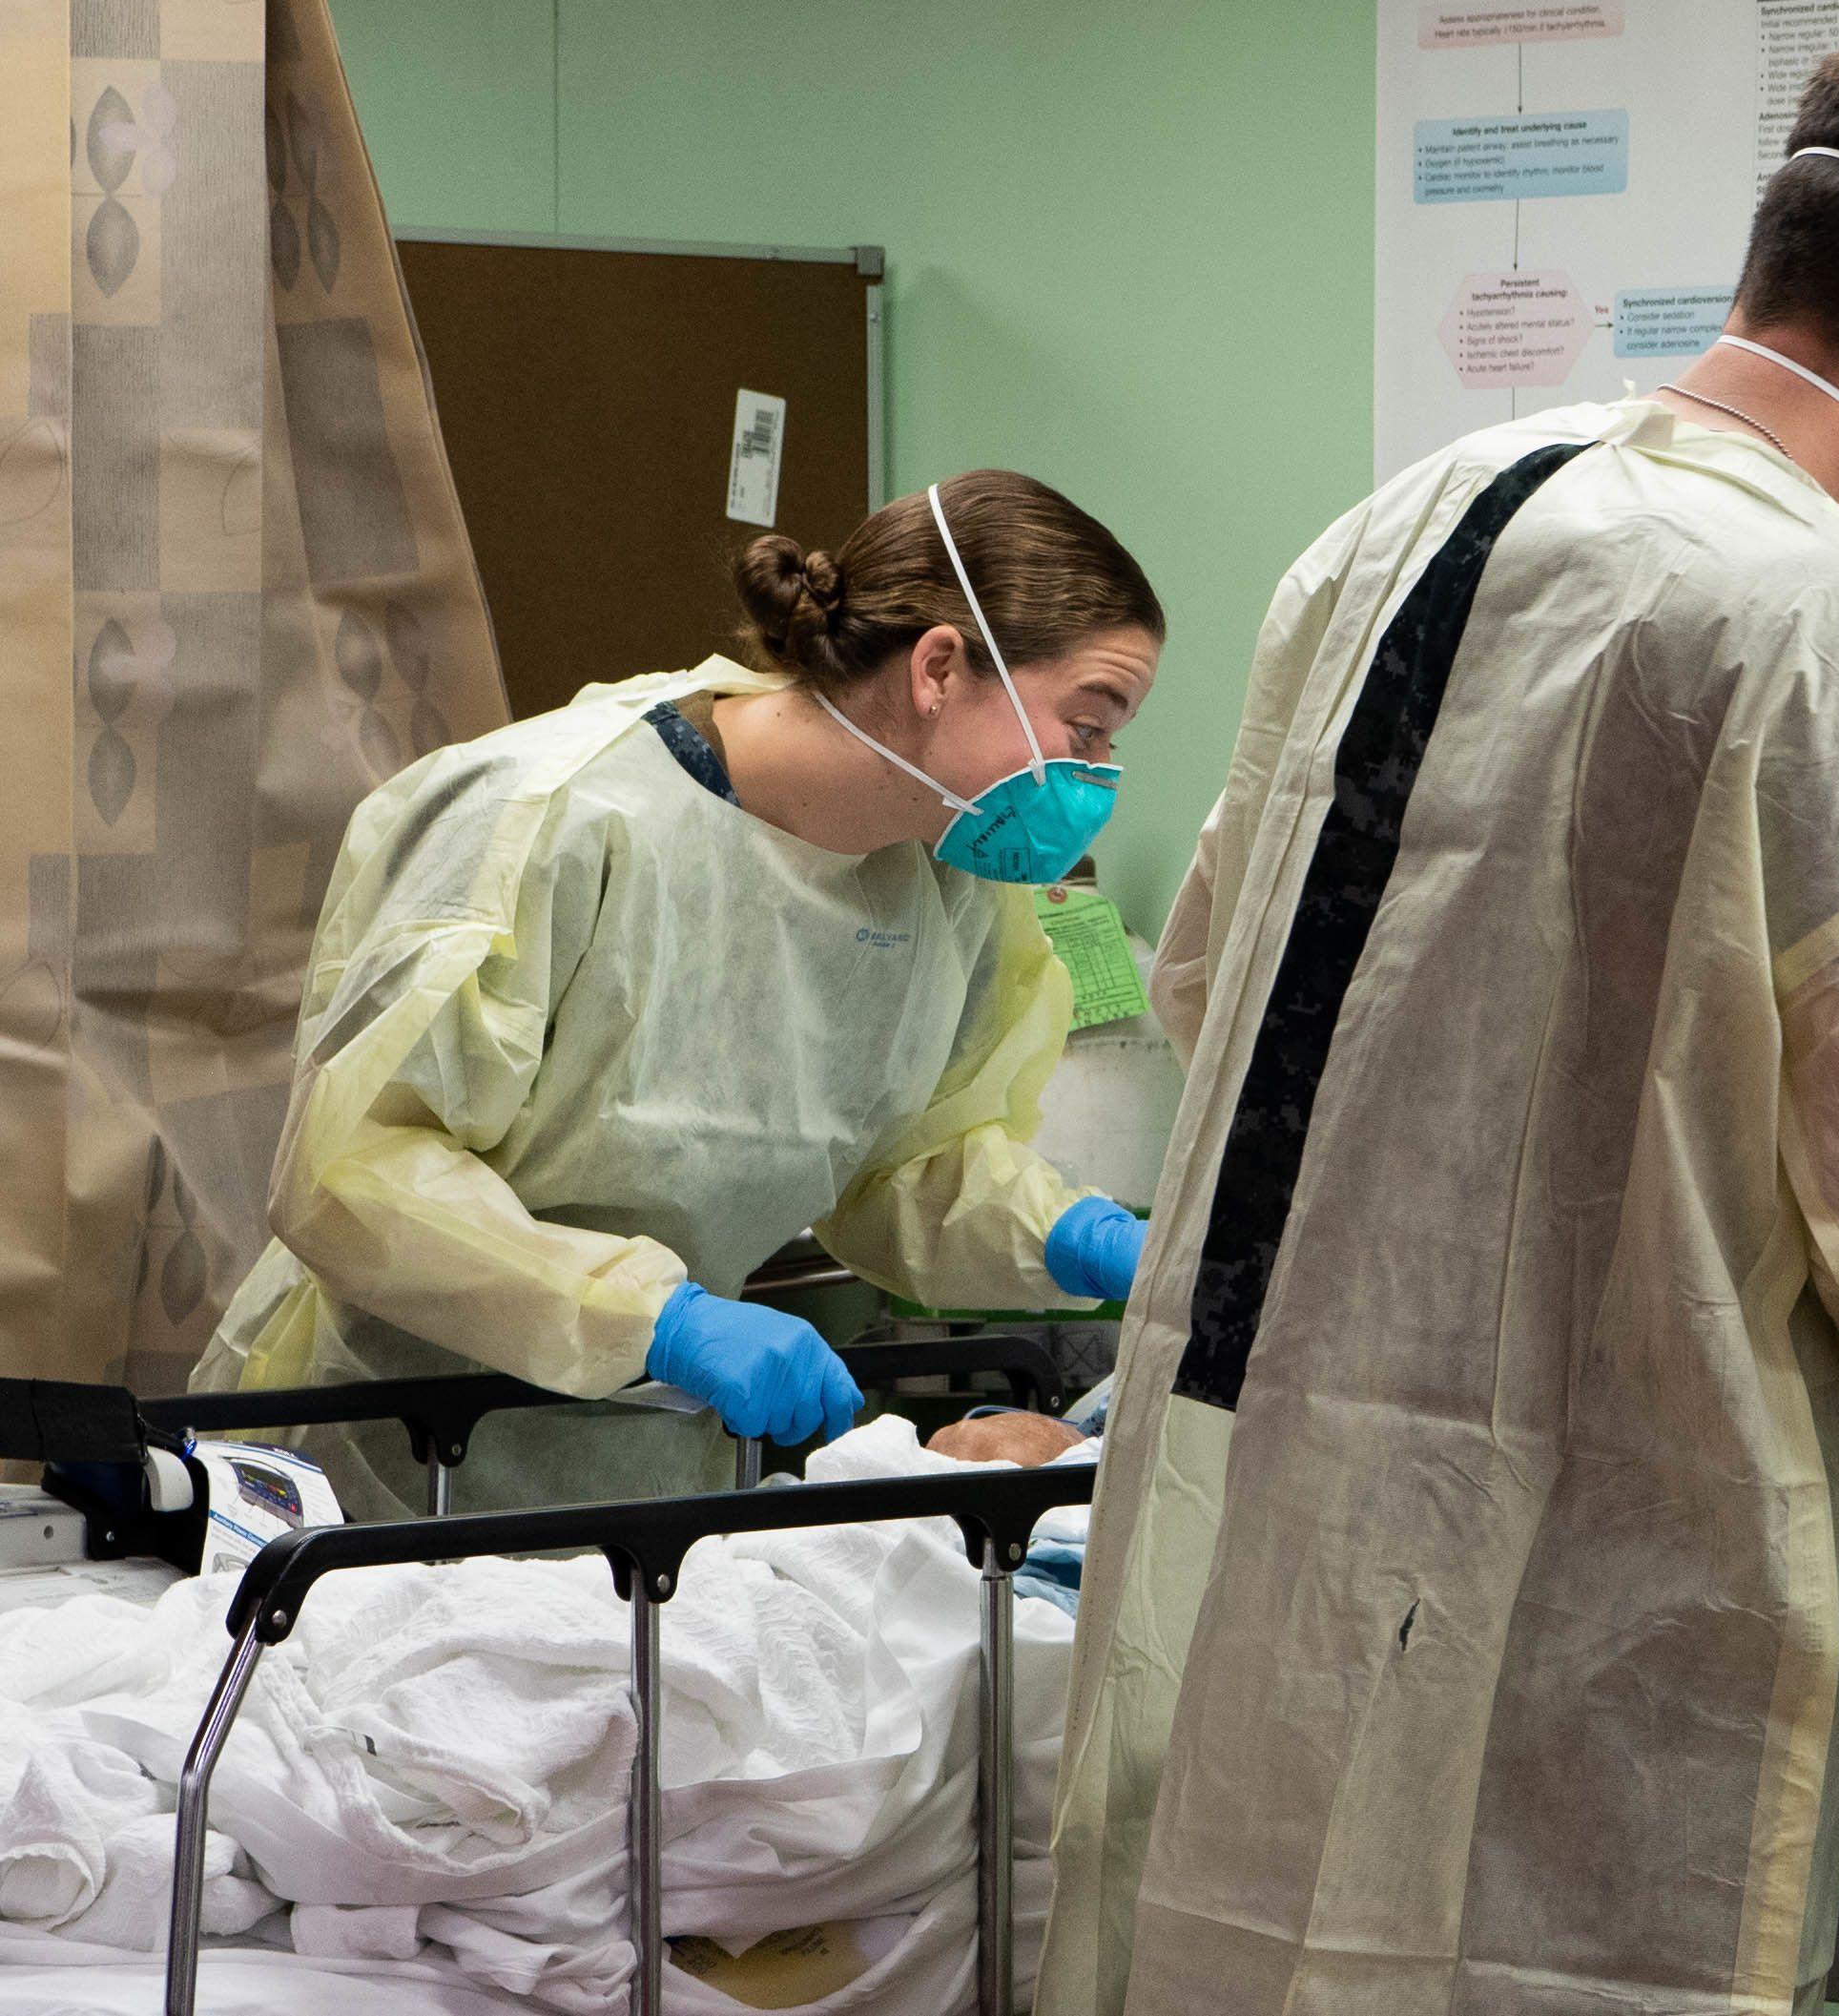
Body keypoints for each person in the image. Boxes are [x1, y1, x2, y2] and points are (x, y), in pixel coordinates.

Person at [964, 26, 1839, 2015]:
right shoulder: (1838, 618)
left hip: (1279, 1472)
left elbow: (1203, 966)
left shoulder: (1395, 522)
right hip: (1629, 1518)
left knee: (1253, 1940)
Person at [192, 471, 1165, 1515]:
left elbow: (902, 1168)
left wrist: (1083, 1237)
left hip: (655, 1483)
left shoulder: (949, 880)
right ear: (938, 667)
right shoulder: (552, 818)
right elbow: (357, 1168)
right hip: (388, 1454)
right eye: (1088, 724)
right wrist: (657, 1316)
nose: (1099, 773)